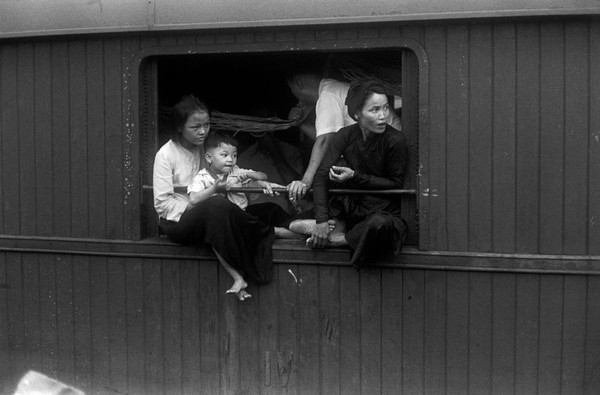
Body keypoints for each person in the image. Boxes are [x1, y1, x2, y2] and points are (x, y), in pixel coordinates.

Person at [153, 95, 284, 301]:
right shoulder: (166, 155)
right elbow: (163, 204)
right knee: (216, 205)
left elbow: (230, 173)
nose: (203, 131)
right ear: (179, 127)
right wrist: (200, 202)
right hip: (179, 222)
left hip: (217, 210)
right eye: (195, 127)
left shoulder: (207, 149)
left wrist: (258, 182)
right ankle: (270, 235)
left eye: (206, 125)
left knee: (267, 209)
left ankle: (297, 225)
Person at [289, 80, 409, 268]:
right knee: (296, 219)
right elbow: (321, 175)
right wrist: (321, 221)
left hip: (383, 208)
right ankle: (322, 227)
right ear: (357, 114)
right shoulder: (345, 135)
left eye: (385, 108)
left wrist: (355, 177)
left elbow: (395, 183)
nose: (383, 116)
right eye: (375, 110)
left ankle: (339, 238)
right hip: (353, 206)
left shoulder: (395, 140)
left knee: (379, 225)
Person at [285, 71, 402, 202]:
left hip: (383, 156)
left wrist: (305, 181)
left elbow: (324, 142)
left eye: (292, 90)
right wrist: (300, 124)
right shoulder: (334, 89)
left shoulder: (328, 95)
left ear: (298, 84)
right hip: (381, 156)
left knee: (332, 171)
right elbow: (332, 142)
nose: (298, 101)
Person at [188, 130, 299, 239]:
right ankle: (278, 232)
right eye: (224, 155)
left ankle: (297, 225)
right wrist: (214, 189)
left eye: (234, 155)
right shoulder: (202, 177)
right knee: (249, 224)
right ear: (209, 157)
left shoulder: (236, 172)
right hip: (222, 222)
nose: (230, 160)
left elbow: (263, 176)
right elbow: (193, 199)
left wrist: (250, 175)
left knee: (270, 208)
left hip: (243, 214)